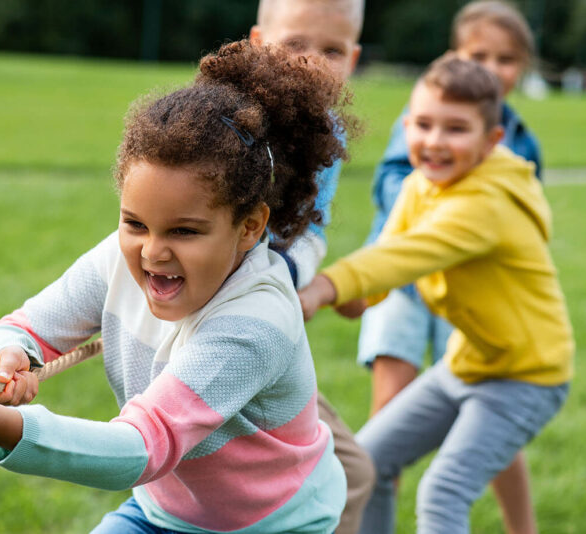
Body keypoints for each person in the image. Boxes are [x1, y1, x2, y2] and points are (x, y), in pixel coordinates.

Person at [0, 40, 355, 534]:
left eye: (184, 231)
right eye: (135, 222)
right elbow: (21, 327)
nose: (152, 252)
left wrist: (1, 427)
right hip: (162, 513)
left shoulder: (257, 321)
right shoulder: (120, 259)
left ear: (249, 226)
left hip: (274, 526)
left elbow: (142, 445)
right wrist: (7, 355)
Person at [299, 55, 573, 534]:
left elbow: (413, 253)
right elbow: (391, 253)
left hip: (527, 377)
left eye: (456, 129)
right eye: (424, 125)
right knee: (365, 462)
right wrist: (365, 295)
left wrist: (328, 284)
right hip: (467, 363)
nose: (435, 142)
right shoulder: (418, 185)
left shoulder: (485, 203)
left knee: (442, 492)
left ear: (492, 141)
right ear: (406, 126)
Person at [356, 2, 542, 532]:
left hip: (471, 299)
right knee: (389, 417)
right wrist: (433, 225)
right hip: (396, 285)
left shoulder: (520, 138)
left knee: (488, 414)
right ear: (453, 56)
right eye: (478, 54)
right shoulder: (423, 119)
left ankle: (521, 527)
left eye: (506, 59)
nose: (491, 67)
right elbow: (395, 181)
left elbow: (526, 221)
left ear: (522, 68)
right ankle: (376, 518)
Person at [250, 1, 375, 531]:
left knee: (348, 473)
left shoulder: (330, 131)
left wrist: (291, 283)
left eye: (332, 51)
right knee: (345, 472)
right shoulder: (228, 123)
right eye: (295, 44)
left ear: (355, 57)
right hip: (222, 327)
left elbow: (311, 231)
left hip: (267, 322)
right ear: (257, 43)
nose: (312, 65)